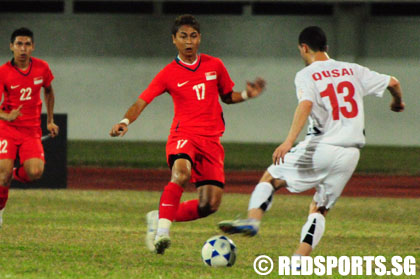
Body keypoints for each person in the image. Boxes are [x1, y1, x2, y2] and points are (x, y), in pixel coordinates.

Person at [218, 26, 404, 259]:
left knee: (272, 177)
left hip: (323, 146)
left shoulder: (306, 74)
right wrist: (397, 102)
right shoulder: (352, 69)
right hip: (352, 154)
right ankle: (298, 259)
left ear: (304, 48)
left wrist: (288, 141)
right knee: (320, 208)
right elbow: (394, 82)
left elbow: (305, 104)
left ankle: (253, 221)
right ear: (326, 47)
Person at [110, 14, 265, 254]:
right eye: (183, 36)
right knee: (181, 174)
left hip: (212, 141)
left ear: (200, 38)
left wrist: (246, 95)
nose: (189, 41)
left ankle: (159, 216)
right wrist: (124, 121)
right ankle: (162, 232)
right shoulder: (168, 73)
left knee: (209, 205)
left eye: (193, 36)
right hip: (184, 136)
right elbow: (142, 102)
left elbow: (227, 96)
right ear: (174, 40)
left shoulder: (215, 65)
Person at [0, 27, 59, 228]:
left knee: (35, 172)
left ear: (32, 47)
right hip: (6, 128)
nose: (23, 48)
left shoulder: (42, 68)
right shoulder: (3, 72)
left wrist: (50, 120)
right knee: (2, 175)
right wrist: (6, 116)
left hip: (31, 130)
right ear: (11, 46)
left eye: (27, 44)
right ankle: (0, 211)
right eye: (19, 44)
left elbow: (49, 92)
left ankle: (14, 172)